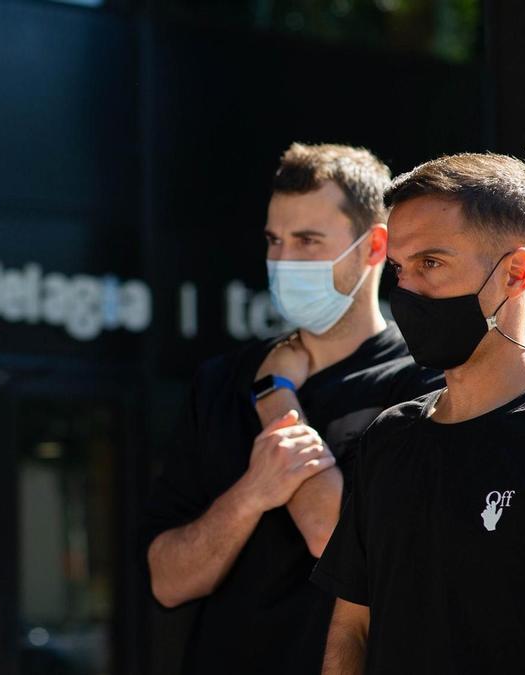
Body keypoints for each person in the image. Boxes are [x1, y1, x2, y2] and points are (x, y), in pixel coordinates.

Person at [314, 153, 525, 674]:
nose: (406, 291)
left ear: (515, 274)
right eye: (399, 269)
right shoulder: (390, 438)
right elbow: (350, 628)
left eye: (431, 263)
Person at [142, 143, 442, 674]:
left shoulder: (422, 384)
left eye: (308, 241)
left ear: (375, 247)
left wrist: (276, 395)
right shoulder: (218, 383)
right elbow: (167, 581)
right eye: (274, 241)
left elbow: (345, 552)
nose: (283, 262)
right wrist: (251, 494)